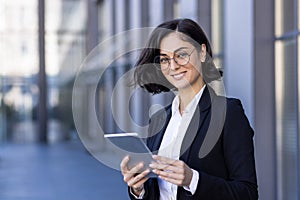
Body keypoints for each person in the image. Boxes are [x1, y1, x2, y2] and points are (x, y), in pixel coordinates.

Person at [120, 18, 258, 200]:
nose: (173, 66)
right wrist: (139, 190)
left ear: (202, 52)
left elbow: (247, 193)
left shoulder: (228, 113)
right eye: (164, 59)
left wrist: (193, 179)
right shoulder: (159, 119)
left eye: (181, 55)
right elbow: (158, 190)